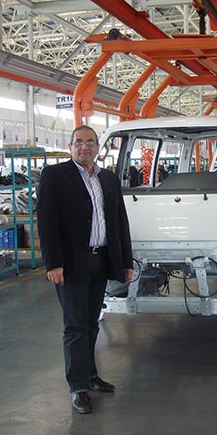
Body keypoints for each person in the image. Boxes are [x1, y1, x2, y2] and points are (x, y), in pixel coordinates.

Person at [37, 125, 134, 414]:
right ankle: (78, 386)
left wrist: (125, 261)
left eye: (90, 142)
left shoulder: (108, 179)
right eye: (79, 142)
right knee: (75, 326)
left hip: (101, 260)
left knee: (91, 323)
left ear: (97, 147)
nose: (85, 147)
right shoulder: (55, 176)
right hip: (71, 264)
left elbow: (119, 221)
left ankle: (91, 375)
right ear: (70, 147)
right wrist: (54, 263)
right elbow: (47, 222)